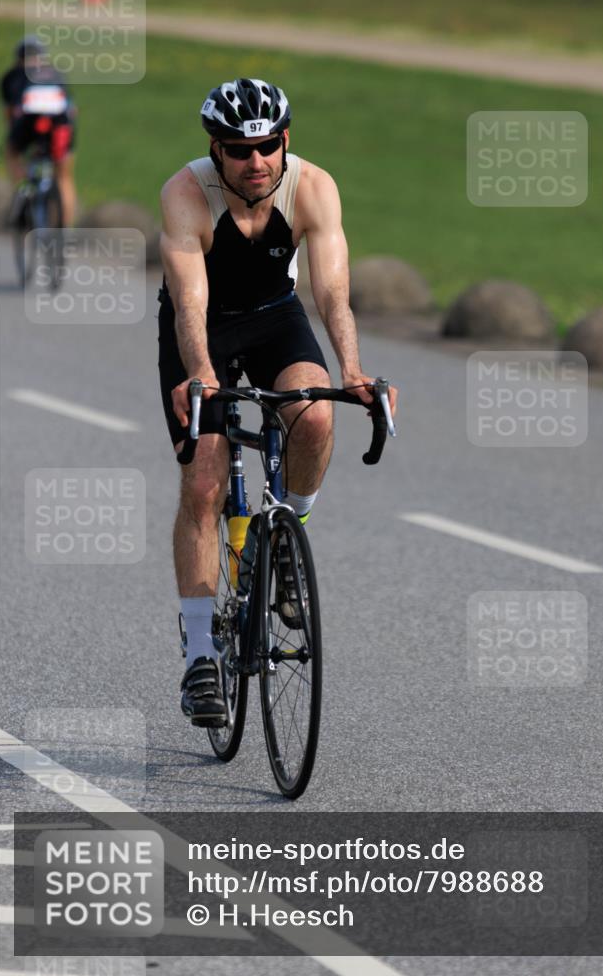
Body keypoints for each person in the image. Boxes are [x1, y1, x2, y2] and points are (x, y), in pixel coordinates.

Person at [158, 77, 397, 726]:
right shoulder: (186, 195)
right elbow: (188, 302)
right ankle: (201, 654)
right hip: (202, 328)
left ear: (284, 141)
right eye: (238, 150)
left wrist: (349, 369)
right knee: (205, 483)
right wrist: (202, 374)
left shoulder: (312, 187)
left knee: (314, 415)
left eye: (267, 146)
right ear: (216, 151)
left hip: (273, 318)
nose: (255, 161)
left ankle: (289, 541)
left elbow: (331, 291)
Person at [0, 37, 77, 226]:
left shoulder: (12, 76)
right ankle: (66, 230)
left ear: (19, 58)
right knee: (64, 176)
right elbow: (71, 110)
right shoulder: (57, 74)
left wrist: (14, 141)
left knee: (11, 152)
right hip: (60, 124)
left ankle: (23, 189)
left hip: (29, 122)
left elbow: (11, 114)